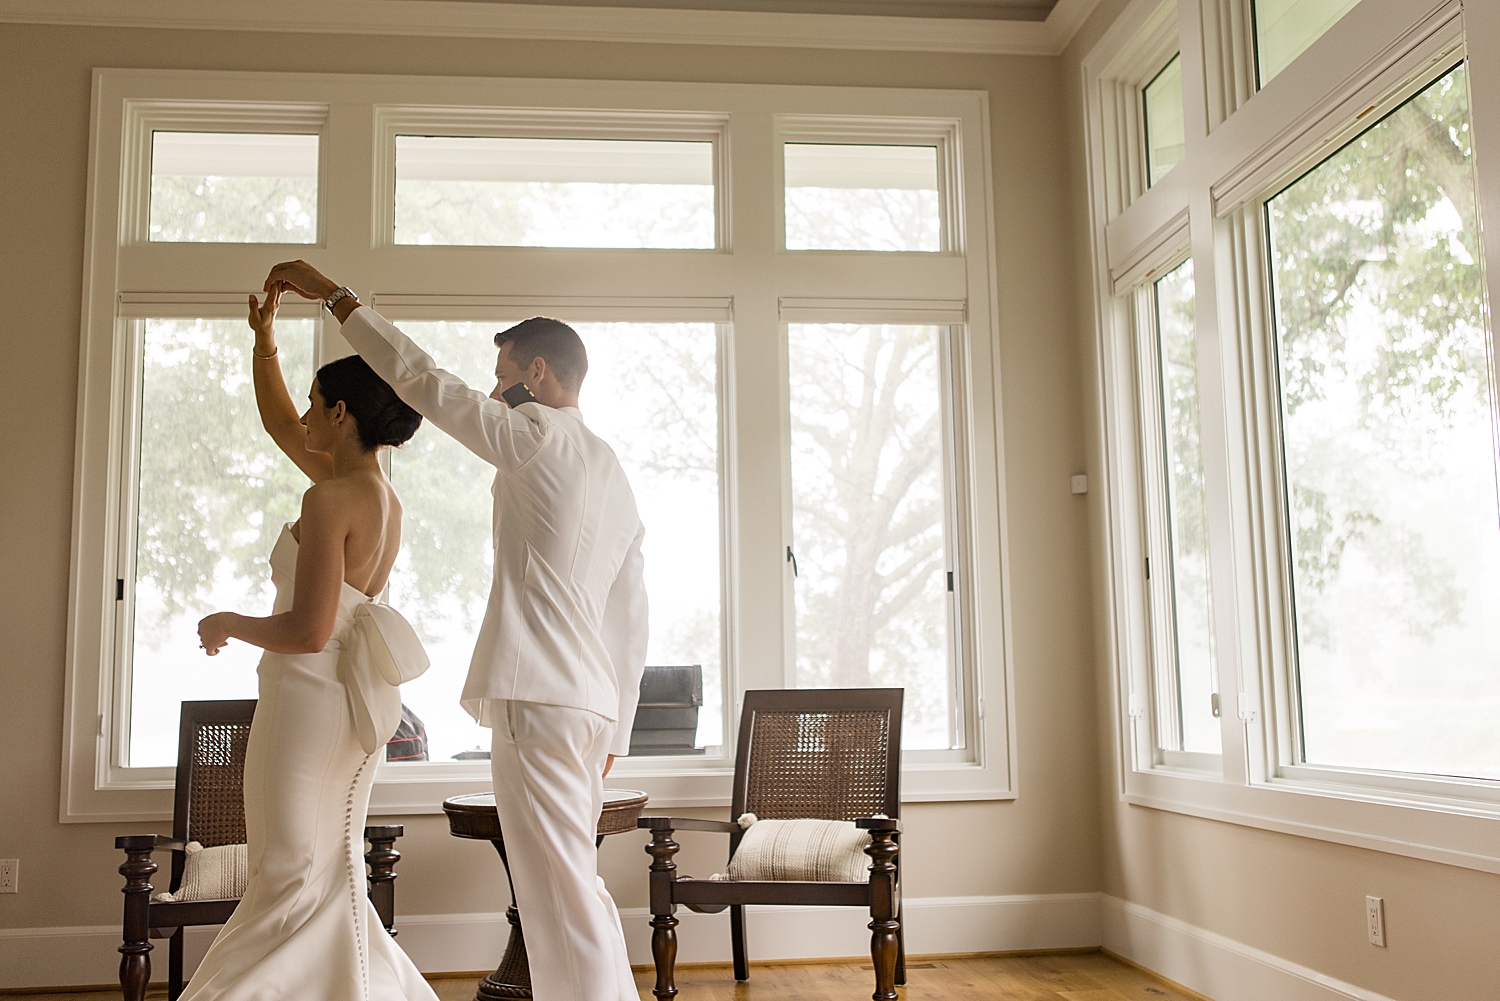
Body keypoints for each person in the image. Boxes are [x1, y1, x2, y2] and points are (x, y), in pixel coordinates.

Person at [264, 260, 649, 1001]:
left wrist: (339, 298)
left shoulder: (533, 433)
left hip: (537, 700)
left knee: (558, 892)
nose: (494, 382)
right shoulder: (613, 470)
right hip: (586, 708)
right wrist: (616, 729)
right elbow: (631, 618)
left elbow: (421, 380)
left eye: (502, 369)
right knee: (570, 884)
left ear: (536, 372)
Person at [186, 285, 436, 1001]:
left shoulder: (330, 498)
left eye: (313, 401)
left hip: (309, 701)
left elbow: (309, 628)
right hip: (347, 713)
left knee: (287, 869)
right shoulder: (380, 496)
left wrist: (229, 623)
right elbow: (278, 422)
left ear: (339, 413)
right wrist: (265, 340)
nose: (301, 417)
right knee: (323, 870)